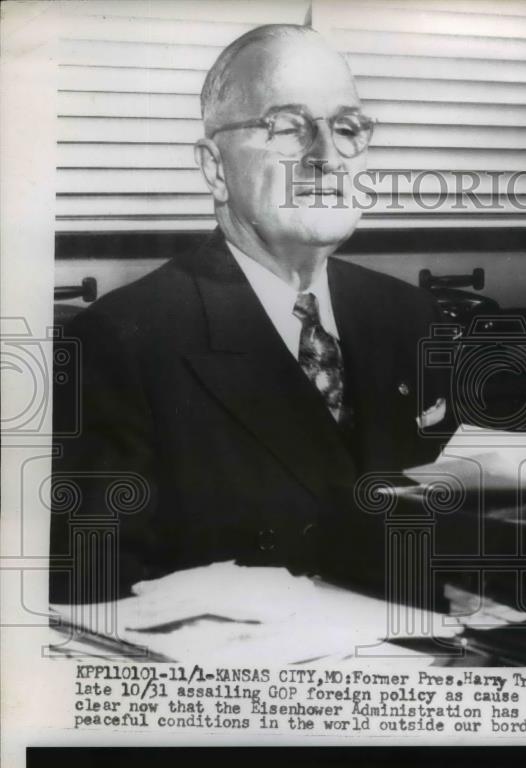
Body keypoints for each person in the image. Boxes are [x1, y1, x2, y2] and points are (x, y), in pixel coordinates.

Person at [49, 25, 461, 603]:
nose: (325, 157)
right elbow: (93, 595)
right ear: (215, 169)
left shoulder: (410, 315)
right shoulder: (117, 345)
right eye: (288, 128)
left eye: (346, 128)